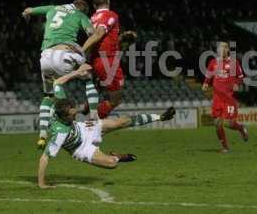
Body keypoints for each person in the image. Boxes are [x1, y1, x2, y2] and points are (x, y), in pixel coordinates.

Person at [38, 64, 176, 189]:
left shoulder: (61, 103)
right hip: (80, 148)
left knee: (121, 122)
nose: (76, 114)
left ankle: (161, 117)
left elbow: (57, 82)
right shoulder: (60, 133)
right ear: (65, 117)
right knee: (112, 164)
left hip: (84, 129)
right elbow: (44, 158)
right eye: (72, 115)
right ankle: (117, 156)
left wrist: (77, 72)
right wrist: (41, 183)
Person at [22, 1, 101, 149]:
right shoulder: (80, 15)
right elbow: (92, 34)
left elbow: (28, 10)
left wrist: (26, 15)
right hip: (64, 53)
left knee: (48, 95)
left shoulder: (52, 8)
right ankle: (94, 116)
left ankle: (42, 135)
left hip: (45, 57)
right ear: (83, 8)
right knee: (88, 75)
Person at [82, 0, 136, 118]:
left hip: (97, 60)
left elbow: (101, 41)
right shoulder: (110, 15)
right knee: (115, 99)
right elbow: (99, 34)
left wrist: (121, 37)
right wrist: (81, 50)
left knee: (102, 88)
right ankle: (91, 125)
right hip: (108, 61)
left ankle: (89, 104)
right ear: (108, 1)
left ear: (94, 5)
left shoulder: (92, 18)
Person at [202, 41, 248, 153]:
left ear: (227, 50)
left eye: (223, 48)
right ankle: (225, 147)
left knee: (229, 123)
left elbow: (241, 77)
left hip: (228, 98)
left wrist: (237, 83)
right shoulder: (213, 62)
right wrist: (205, 83)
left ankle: (241, 128)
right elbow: (208, 75)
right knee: (217, 123)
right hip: (217, 99)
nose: (221, 50)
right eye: (219, 48)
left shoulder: (233, 63)